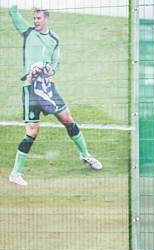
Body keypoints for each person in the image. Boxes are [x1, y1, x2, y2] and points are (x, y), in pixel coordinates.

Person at [8, 5, 102, 186]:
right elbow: (13, 12)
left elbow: (55, 66)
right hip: (30, 88)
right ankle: (15, 173)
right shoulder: (27, 32)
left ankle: (85, 155)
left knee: (68, 119)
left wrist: (47, 69)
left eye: (39, 18)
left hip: (47, 87)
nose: (35, 21)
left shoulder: (54, 39)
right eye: (34, 18)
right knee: (32, 132)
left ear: (47, 19)